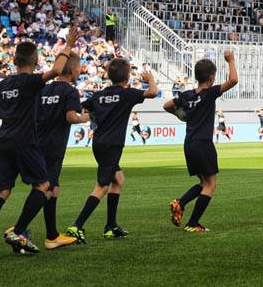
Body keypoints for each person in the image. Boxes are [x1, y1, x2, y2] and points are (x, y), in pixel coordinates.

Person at [0, 29, 78, 259]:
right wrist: (67, 46)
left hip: (5, 140)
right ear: (36, 60)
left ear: (15, 60)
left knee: (2, 191)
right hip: (26, 140)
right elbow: (58, 70)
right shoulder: (30, 82)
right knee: (43, 185)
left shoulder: (6, 83)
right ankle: (18, 231)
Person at [66, 58, 158, 243]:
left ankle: (111, 226)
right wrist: (150, 78)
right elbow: (153, 92)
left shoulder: (99, 95)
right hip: (112, 145)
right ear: (127, 77)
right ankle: (76, 226)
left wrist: (89, 116)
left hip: (99, 142)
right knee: (101, 187)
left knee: (118, 179)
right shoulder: (127, 94)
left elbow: (84, 106)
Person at [165, 50, 239, 232]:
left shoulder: (187, 95)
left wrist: (181, 114)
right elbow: (234, 80)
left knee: (203, 183)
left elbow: (166, 105)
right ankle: (193, 223)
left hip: (189, 143)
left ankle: (180, 203)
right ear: (212, 77)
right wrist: (230, 60)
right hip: (203, 143)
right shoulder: (210, 93)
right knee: (211, 185)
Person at [36, 50, 88, 250]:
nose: (80, 70)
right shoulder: (70, 91)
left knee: (53, 188)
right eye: (79, 67)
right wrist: (83, 118)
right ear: (73, 69)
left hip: (39, 143)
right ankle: (20, 227)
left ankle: (52, 235)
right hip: (55, 145)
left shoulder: (44, 89)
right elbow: (70, 117)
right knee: (46, 189)